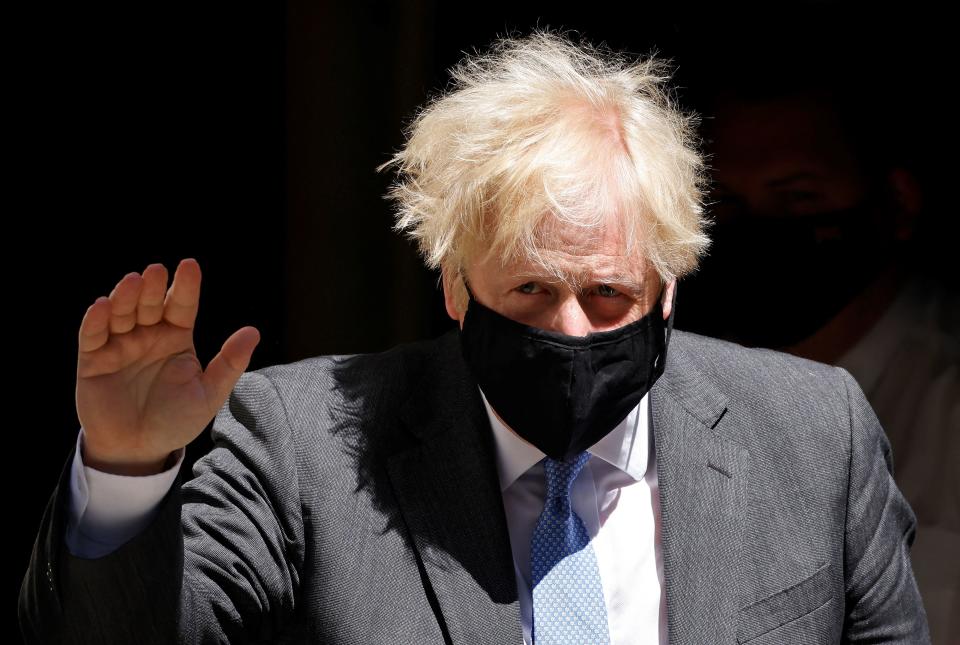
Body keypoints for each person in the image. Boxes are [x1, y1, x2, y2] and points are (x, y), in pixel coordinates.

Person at [19, 31, 930, 644]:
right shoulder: (301, 444)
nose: (571, 327)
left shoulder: (817, 436)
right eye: (530, 288)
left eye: (608, 293)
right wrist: (126, 471)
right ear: (456, 286)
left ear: (669, 287)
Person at [684, 77, 958, 642]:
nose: (759, 229)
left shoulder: (947, 404)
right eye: (728, 203)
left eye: (799, 196)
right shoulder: (673, 387)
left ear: (898, 201)